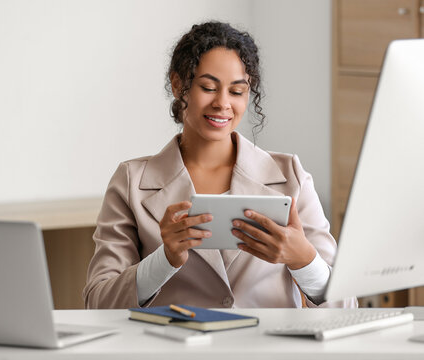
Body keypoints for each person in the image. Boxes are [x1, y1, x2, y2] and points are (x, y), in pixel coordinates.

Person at [83, 21, 357, 309]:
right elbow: (99, 303)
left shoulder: (291, 176)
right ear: (179, 85)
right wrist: (165, 260)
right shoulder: (131, 182)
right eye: (209, 87)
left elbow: (346, 306)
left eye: (237, 91)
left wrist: (304, 259)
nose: (223, 103)